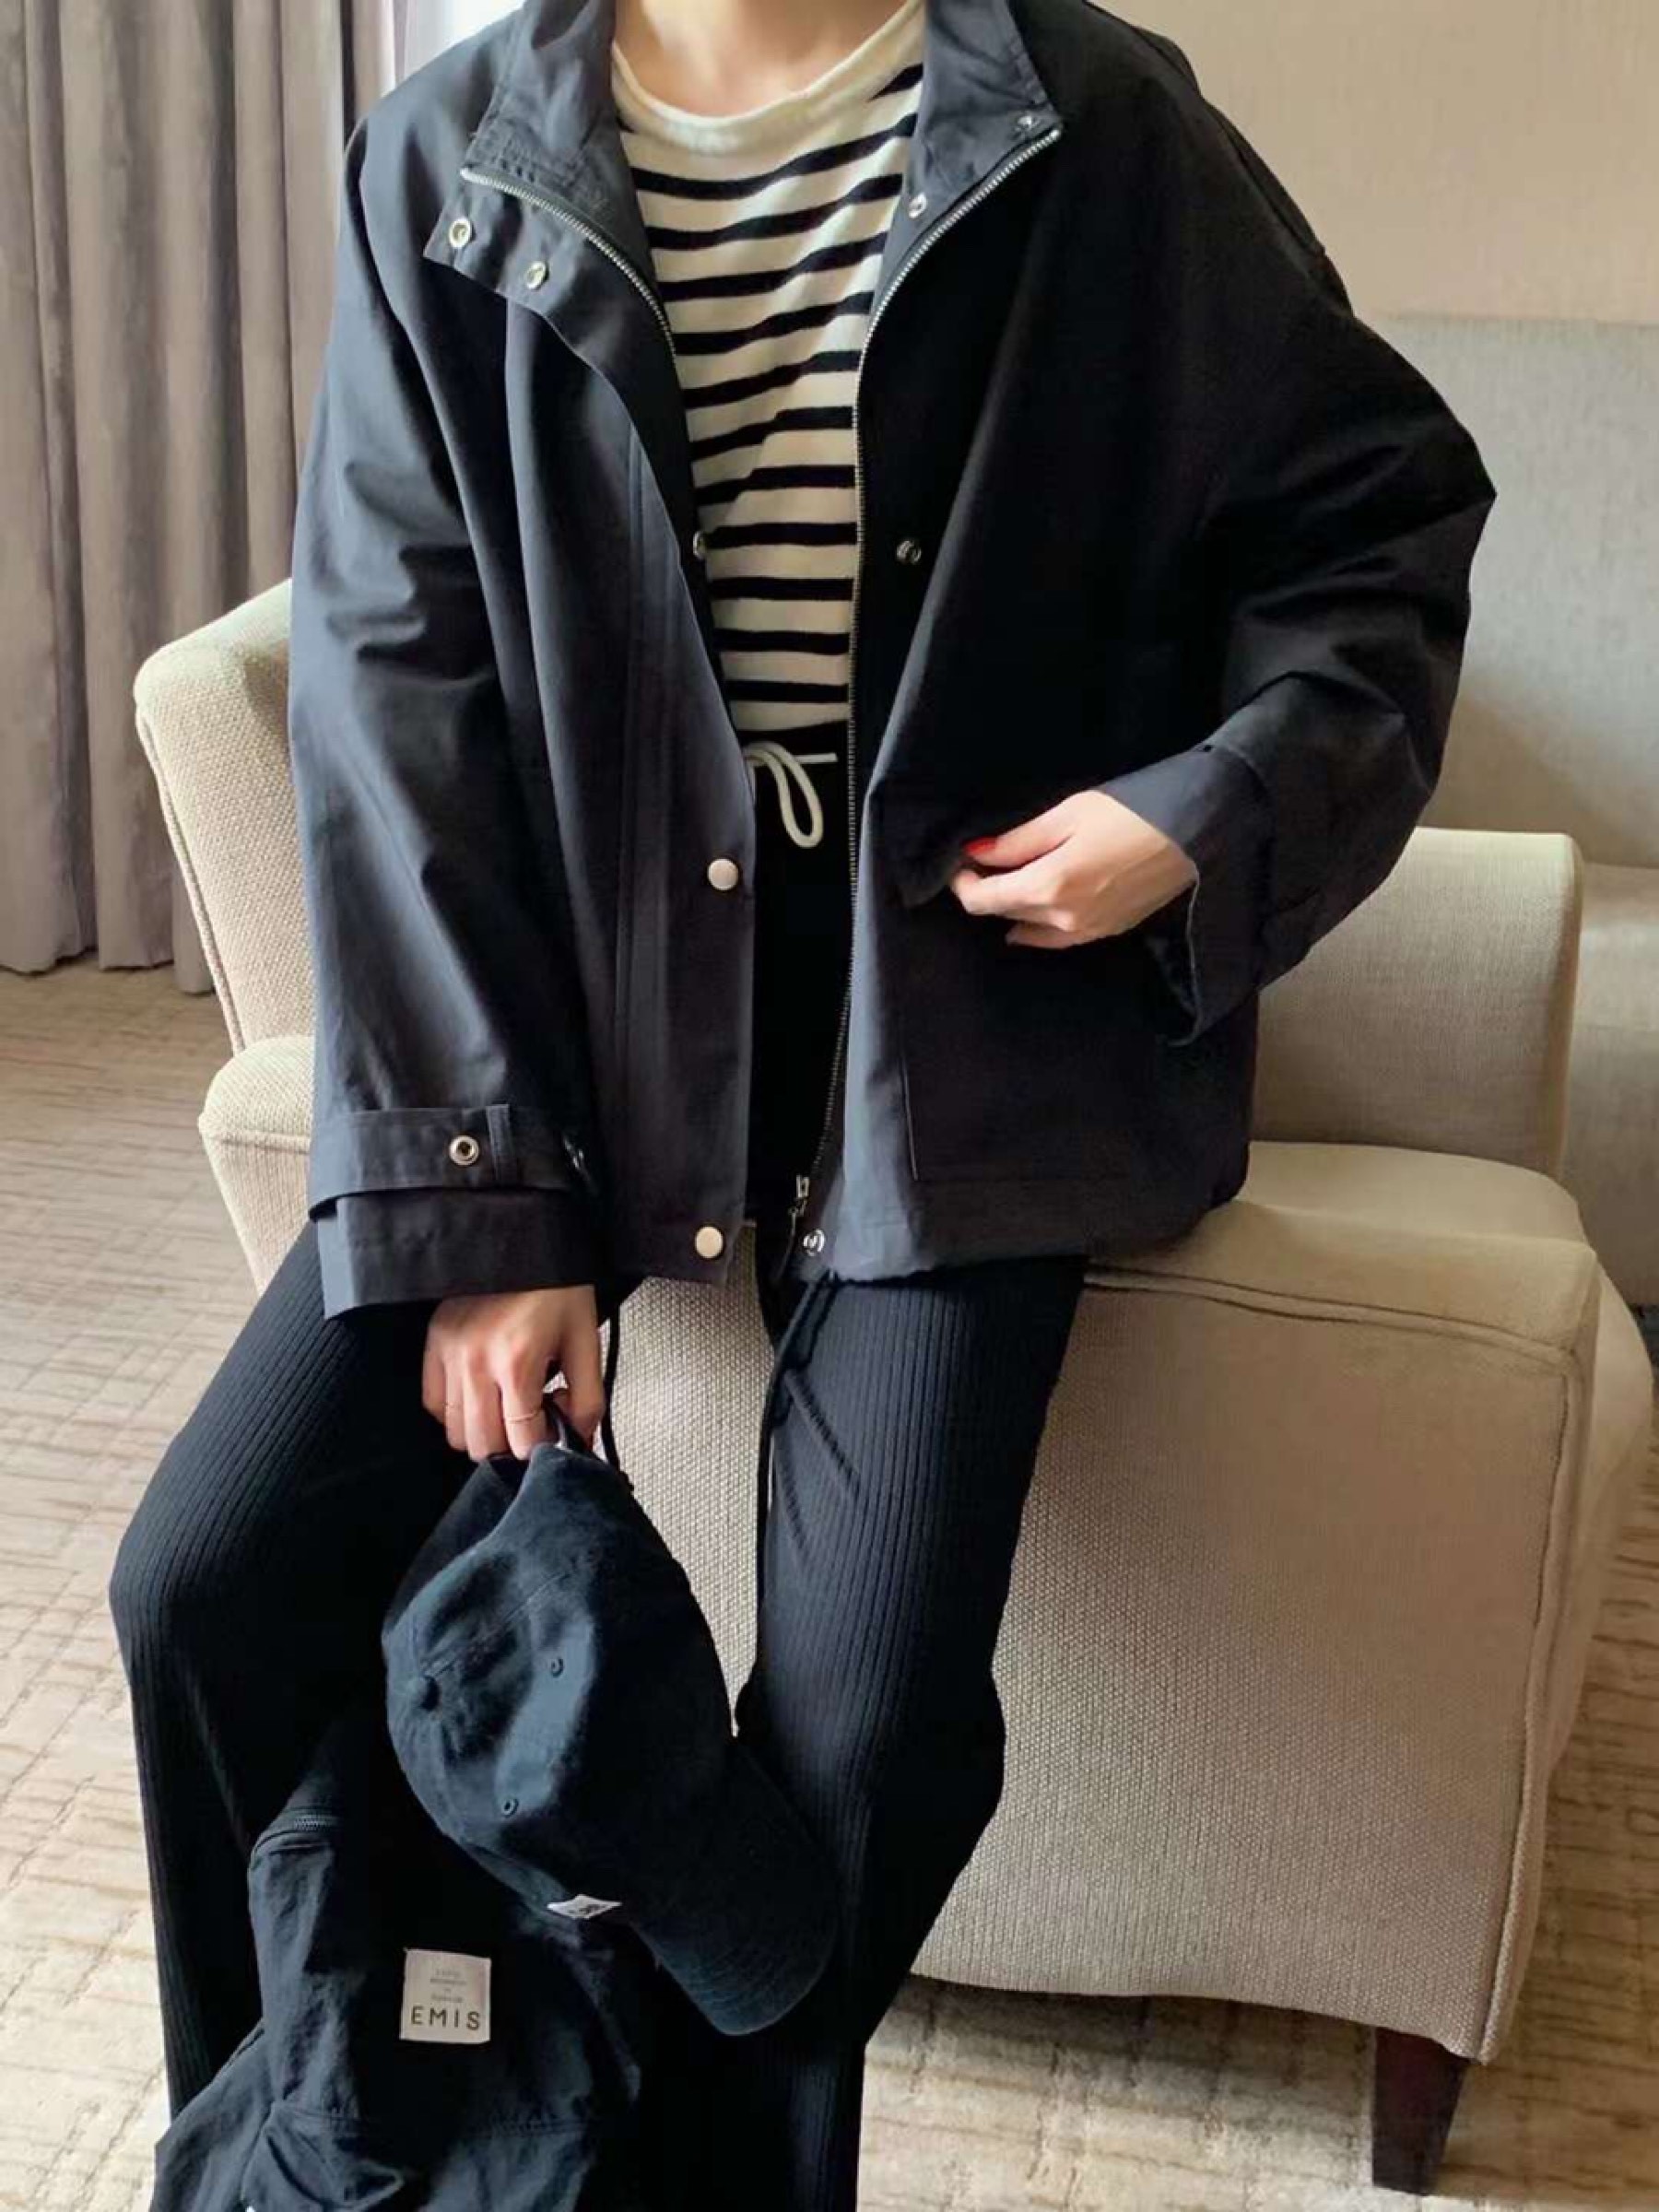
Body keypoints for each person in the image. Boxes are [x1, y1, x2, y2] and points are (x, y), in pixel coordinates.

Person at [108, 0, 1496, 2206]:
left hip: (955, 1032)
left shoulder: (1095, 123)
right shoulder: (445, 157)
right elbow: (398, 701)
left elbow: (1377, 518)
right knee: (206, 1581)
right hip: (574, 1031)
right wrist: (492, 1209)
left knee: (852, 1762)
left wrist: (1204, 814)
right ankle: (306, 2143)